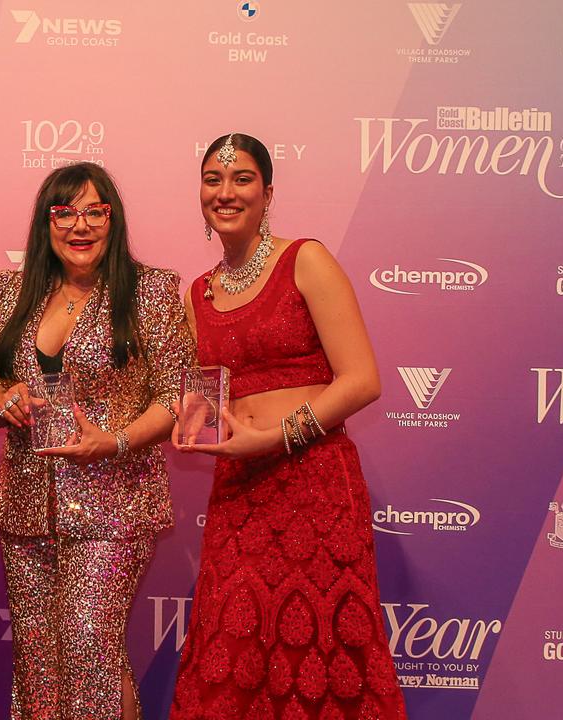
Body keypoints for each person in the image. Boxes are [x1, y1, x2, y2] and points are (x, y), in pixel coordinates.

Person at [168, 133, 406, 719]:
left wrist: (274, 438)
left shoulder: (306, 259)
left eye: (242, 179)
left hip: (314, 486)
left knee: (319, 648)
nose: (226, 192)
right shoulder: (197, 292)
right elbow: (203, 394)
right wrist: (180, 418)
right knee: (235, 648)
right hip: (239, 494)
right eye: (213, 179)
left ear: (268, 192)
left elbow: (362, 380)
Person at [0, 162, 194, 719]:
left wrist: (117, 441)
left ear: (113, 219)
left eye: (94, 211)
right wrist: (4, 402)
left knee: (89, 650)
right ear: (45, 223)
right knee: (38, 665)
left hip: (114, 507)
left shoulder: (151, 291)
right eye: (64, 211)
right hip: (26, 508)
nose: (80, 225)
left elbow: (176, 396)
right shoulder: (12, 290)